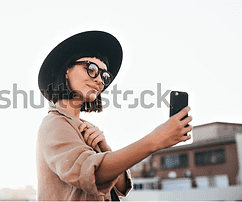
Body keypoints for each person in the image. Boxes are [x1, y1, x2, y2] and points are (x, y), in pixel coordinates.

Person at [37, 31, 192, 201]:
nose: (100, 81)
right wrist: (155, 140)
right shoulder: (55, 123)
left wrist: (104, 148)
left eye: (104, 76)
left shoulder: (84, 128)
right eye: (92, 69)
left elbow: (119, 187)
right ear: (66, 70)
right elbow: (93, 174)